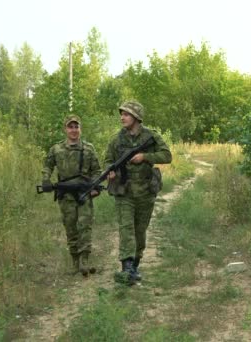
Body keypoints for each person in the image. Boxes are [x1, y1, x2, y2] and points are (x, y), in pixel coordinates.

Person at [105, 101, 172, 285]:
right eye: (122, 114)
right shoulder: (116, 140)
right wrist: (109, 171)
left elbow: (167, 156)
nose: (122, 117)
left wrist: (145, 157)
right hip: (124, 192)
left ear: (136, 117)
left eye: (126, 114)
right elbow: (108, 160)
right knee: (126, 230)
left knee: (139, 232)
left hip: (145, 192)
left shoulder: (151, 136)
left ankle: (135, 265)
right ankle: (126, 270)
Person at [41, 114, 101, 276]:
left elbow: (97, 170)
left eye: (76, 127)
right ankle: (75, 261)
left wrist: (95, 187)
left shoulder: (88, 148)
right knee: (70, 227)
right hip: (66, 195)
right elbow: (47, 166)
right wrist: (46, 179)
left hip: (84, 193)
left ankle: (84, 261)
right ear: (65, 129)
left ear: (80, 129)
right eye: (70, 127)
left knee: (85, 226)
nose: (74, 130)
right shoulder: (56, 149)